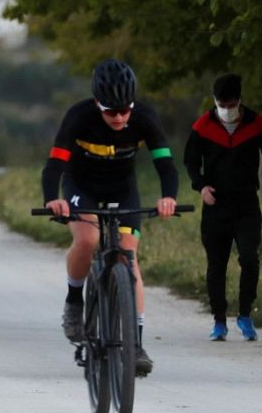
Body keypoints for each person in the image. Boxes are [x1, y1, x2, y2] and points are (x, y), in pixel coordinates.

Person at [41, 59, 178, 377]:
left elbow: (166, 164)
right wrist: (53, 199)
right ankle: (75, 300)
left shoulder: (144, 118)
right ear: (97, 104)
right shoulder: (78, 116)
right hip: (81, 186)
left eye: (124, 111)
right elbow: (55, 164)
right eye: (110, 111)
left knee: (129, 258)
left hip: (122, 189)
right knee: (88, 239)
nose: (118, 117)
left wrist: (169, 196)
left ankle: (135, 344)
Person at [184, 73, 262, 342]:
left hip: (246, 204)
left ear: (239, 101)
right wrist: (201, 186)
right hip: (215, 205)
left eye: (231, 104)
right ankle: (219, 321)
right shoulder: (203, 126)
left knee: (249, 258)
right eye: (222, 103)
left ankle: (245, 314)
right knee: (216, 265)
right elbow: (190, 160)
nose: (227, 109)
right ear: (215, 101)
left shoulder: (256, 124)